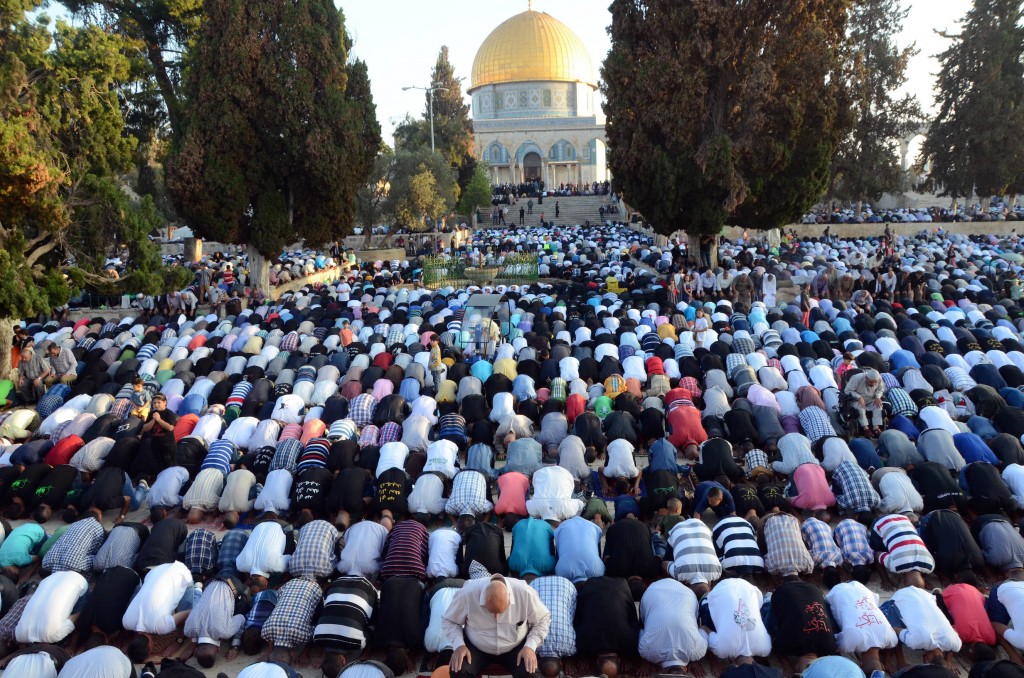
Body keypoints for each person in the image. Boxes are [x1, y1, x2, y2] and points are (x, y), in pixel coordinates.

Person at [442, 573, 551, 678]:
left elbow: (543, 619)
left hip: (515, 646)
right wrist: (459, 645)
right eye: (491, 612)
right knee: (457, 670)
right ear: (483, 598)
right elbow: (449, 620)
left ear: (509, 598)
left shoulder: (524, 593)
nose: (496, 617)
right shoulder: (467, 593)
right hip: (477, 647)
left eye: (501, 612)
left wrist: (530, 646)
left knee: (530, 672)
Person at [638, 578, 707, 675]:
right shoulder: (647, 651)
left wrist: (696, 658)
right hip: (652, 592)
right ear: (663, 670)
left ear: (686, 670)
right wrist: (646, 660)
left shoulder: (697, 651)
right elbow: (641, 631)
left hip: (686, 593)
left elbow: (702, 632)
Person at [844, 369, 886, 436]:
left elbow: (880, 389)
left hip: (870, 399)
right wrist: (859, 397)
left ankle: (876, 427)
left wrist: (877, 397)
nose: (873, 384)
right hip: (856, 400)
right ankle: (866, 428)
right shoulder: (856, 378)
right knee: (860, 408)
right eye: (871, 382)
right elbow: (847, 390)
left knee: (878, 405)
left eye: (875, 382)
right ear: (866, 377)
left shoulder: (879, 378)